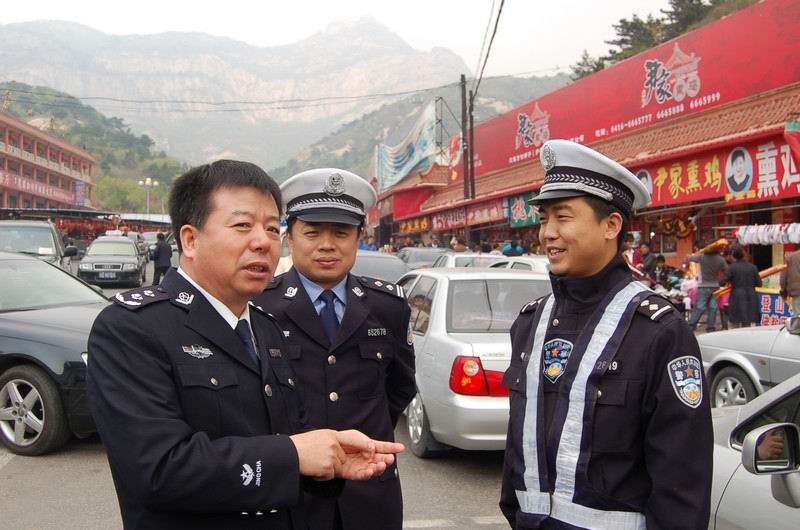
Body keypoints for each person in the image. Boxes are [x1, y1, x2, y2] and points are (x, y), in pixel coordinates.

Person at [87, 161, 403, 530]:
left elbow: (288, 436)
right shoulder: (132, 328)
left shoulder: (264, 328)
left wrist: (329, 456)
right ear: (190, 239)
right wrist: (293, 455)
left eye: (272, 228)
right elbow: (157, 469)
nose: (262, 241)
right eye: (242, 226)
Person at [499, 140, 713, 529]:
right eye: (544, 219)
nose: (548, 233)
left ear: (611, 225)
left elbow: (682, 483)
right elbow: (518, 451)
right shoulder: (530, 323)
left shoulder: (660, 332)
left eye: (563, 217)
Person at [255, 168, 416, 530]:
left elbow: (399, 387)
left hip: (372, 493)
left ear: (360, 237)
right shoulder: (260, 306)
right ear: (290, 237)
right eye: (312, 232)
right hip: (294, 495)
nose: (327, 245)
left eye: (341, 233)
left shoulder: (387, 306)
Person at [687, 242, 728, 333]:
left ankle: (691, 326)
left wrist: (700, 252)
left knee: (699, 307)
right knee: (713, 308)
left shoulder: (701, 257)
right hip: (715, 286)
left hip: (703, 286)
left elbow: (689, 258)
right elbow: (727, 271)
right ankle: (710, 328)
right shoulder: (721, 260)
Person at [719, 246, 761, 328]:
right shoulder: (753, 267)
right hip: (751, 296)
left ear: (733, 256)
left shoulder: (731, 267)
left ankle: (735, 339)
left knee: (735, 321)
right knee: (747, 321)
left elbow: (721, 282)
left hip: (736, 297)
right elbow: (759, 283)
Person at [780, 249, 800, 316]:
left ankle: (796, 326)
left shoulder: (791, 257)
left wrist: (783, 290)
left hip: (797, 291)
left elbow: (783, 276)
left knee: (797, 315)